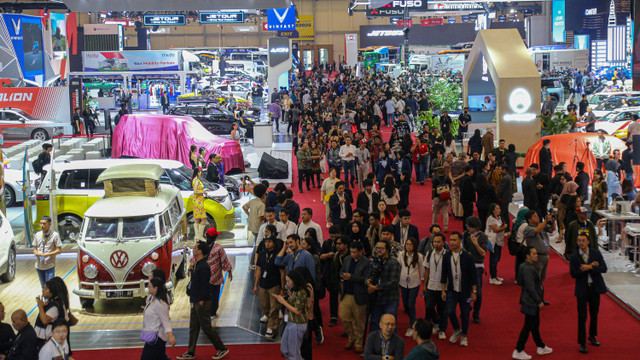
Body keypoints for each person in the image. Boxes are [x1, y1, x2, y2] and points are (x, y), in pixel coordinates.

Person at [178, 242, 229, 360]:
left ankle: (222, 348)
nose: (193, 249)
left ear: (200, 251)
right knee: (193, 327)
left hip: (201, 302)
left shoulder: (204, 266)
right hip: (195, 299)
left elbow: (205, 285)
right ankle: (190, 352)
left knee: (206, 327)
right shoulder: (197, 264)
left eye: (195, 248)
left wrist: (201, 300)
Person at [512, 246, 553, 360]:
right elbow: (531, 287)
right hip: (531, 301)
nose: (537, 255)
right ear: (527, 256)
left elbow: (520, 282)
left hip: (527, 299)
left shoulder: (523, 266)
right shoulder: (529, 269)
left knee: (535, 325)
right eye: (534, 253)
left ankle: (540, 345)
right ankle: (519, 349)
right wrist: (539, 301)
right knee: (528, 326)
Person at [569, 234, 608, 354]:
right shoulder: (575, 256)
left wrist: (590, 267)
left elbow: (604, 268)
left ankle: (592, 335)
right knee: (582, 316)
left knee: (594, 313)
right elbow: (573, 274)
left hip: (595, 288)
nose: (581, 243)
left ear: (588, 242)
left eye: (583, 240)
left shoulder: (595, 253)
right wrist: (584, 269)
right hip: (582, 289)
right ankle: (582, 343)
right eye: (579, 240)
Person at [440, 231, 477, 347]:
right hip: (451, 290)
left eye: (454, 240)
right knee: (449, 311)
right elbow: (444, 274)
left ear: (460, 240)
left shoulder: (468, 257)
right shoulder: (446, 256)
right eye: (450, 240)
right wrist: (442, 290)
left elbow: (473, 275)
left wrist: (474, 292)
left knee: (465, 314)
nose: (452, 242)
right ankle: (457, 329)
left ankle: (464, 336)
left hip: (465, 291)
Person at [339, 241, 371, 353]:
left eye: (355, 252)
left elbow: (366, 279)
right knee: (344, 317)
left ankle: (358, 342)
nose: (353, 254)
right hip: (346, 293)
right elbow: (341, 271)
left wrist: (351, 277)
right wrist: (343, 275)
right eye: (351, 252)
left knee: (359, 321)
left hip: (359, 295)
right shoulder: (347, 259)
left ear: (361, 251)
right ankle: (351, 337)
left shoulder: (367, 263)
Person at [273, 269, 310, 360]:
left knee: (294, 353)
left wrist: (283, 302)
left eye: (289, 281)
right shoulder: (294, 290)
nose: (287, 284)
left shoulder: (302, 292)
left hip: (298, 323)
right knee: (285, 349)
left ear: (295, 280)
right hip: (290, 322)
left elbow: (298, 311)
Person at [366, 241, 401, 333]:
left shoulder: (394, 263)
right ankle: (374, 345)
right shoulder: (374, 261)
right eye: (377, 248)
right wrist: (367, 281)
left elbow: (393, 283)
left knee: (390, 323)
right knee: (374, 322)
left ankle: (392, 346)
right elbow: (368, 274)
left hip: (390, 298)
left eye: (381, 248)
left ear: (387, 250)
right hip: (376, 298)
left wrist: (376, 287)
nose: (379, 250)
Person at [254, 236, 285, 339]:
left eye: (269, 242)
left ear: (274, 243)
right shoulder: (262, 254)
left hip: (274, 284)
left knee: (274, 306)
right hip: (263, 284)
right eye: (266, 241)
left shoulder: (278, 255)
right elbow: (258, 269)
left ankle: (271, 327)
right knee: (264, 305)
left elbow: (282, 272)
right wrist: (255, 285)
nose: (267, 244)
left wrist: (282, 287)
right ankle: (273, 319)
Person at [523, 211, 555, 305]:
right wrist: (545, 221)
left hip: (545, 256)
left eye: (537, 216)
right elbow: (536, 231)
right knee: (535, 280)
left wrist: (553, 221)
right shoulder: (527, 228)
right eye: (535, 216)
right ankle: (534, 300)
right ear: (529, 219)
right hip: (536, 257)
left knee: (541, 280)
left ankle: (540, 298)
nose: (537, 218)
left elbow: (552, 229)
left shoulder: (542, 226)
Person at [140, 278, 176, 360]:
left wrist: (171, 336)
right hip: (153, 336)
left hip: (157, 338)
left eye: (149, 287)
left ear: (156, 288)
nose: (148, 288)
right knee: (161, 357)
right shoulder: (151, 300)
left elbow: (166, 321)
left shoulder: (160, 304)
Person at [462, 217, 488, 323]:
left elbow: (483, 253)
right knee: (465, 290)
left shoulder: (483, 237)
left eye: (468, 226)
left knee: (478, 292)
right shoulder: (465, 234)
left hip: (477, 266)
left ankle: (476, 313)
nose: (467, 228)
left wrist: (475, 243)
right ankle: (466, 309)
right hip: (466, 265)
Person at [34, 277, 70, 350]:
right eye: (44, 288)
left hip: (49, 340)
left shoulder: (54, 306)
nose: (43, 290)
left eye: (46, 289)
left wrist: (40, 307)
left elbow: (45, 320)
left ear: (52, 292)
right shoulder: (52, 302)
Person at [204, 227, 233, 317]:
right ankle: (212, 312)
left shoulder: (201, 246)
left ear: (206, 236)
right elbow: (224, 261)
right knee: (214, 295)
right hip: (215, 277)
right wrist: (229, 271)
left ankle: (204, 311)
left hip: (203, 277)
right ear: (215, 237)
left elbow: (194, 260)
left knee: (204, 295)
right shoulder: (218, 248)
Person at [398, 238, 423, 337]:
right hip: (403, 282)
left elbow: (422, 269)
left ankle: (412, 325)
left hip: (414, 283)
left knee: (411, 303)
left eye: (410, 244)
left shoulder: (419, 256)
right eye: (407, 244)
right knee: (405, 303)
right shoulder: (401, 254)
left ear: (414, 246)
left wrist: (424, 284)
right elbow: (398, 266)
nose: (408, 246)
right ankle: (410, 314)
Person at [33, 217, 62, 288]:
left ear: (50, 224)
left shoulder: (55, 235)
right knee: (43, 285)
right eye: (41, 223)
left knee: (50, 286)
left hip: (49, 265)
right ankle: (44, 299)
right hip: (39, 265)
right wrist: (36, 253)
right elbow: (35, 248)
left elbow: (59, 250)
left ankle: (51, 298)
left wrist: (46, 255)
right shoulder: (37, 235)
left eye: (44, 223)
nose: (42, 225)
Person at [431, 166, 451, 232]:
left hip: (437, 198)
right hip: (446, 198)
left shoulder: (435, 180)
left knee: (436, 212)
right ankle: (446, 227)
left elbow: (433, 189)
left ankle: (434, 225)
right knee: (445, 213)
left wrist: (433, 197)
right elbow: (450, 189)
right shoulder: (448, 179)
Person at [191, 167, 207, 242]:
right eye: (200, 172)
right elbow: (195, 192)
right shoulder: (197, 180)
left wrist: (203, 190)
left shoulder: (194, 180)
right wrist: (203, 193)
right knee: (203, 219)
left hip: (196, 201)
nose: (201, 173)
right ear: (198, 172)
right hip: (199, 201)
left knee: (197, 219)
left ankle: (197, 236)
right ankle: (200, 236)